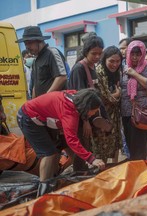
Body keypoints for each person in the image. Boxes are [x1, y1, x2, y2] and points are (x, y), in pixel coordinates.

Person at [16, 89, 106, 185]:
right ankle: (43, 188)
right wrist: (91, 159)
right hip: (28, 118)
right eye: (94, 111)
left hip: (41, 119)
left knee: (58, 149)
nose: (93, 114)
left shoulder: (75, 96)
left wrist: (85, 159)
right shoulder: (69, 113)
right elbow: (72, 140)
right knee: (49, 153)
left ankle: (54, 180)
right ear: (87, 108)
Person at [68, 35, 104, 170]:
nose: (97, 57)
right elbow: (80, 100)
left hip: (89, 116)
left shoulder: (93, 68)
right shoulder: (79, 69)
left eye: (100, 54)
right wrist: (85, 121)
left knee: (87, 146)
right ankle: (79, 176)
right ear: (86, 52)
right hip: (80, 117)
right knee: (81, 147)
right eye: (93, 53)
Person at [120, 40, 147, 160]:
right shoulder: (123, 66)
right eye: (132, 54)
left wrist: (135, 74)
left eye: (138, 54)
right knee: (130, 143)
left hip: (141, 111)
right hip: (126, 110)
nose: (135, 57)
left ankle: (141, 169)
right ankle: (134, 169)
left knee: (140, 144)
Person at [16, 26, 67, 98]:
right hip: (41, 105)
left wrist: (45, 98)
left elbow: (62, 77)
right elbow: (35, 86)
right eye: (25, 44)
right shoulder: (35, 60)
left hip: (54, 103)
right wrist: (34, 102)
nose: (27, 47)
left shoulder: (52, 53)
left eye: (30, 43)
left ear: (39, 41)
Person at [92, 46, 123, 163]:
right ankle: (102, 171)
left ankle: (115, 168)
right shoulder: (99, 71)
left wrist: (116, 94)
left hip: (114, 114)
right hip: (102, 114)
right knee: (102, 142)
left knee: (115, 141)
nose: (115, 64)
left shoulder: (117, 73)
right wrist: (117, 94)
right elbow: (103, 97)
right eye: (111, 61)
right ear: (104, 59)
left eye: (118, 61)